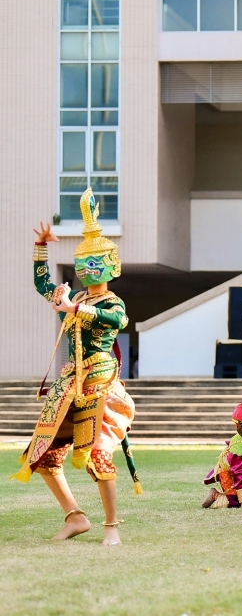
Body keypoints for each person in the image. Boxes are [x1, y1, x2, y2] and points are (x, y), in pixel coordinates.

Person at [12, 190, 136, 546]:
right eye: (84, 263)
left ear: (111, 266)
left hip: (101, 385)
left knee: (98, 455)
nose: (88, 269)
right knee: (42, 454)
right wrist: (41, 246)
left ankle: (111, 526)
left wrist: (73, 309)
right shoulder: (76, 297)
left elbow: (117, 320)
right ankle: (75, 516)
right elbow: (43, 285)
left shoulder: (110, 302)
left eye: (95, 262)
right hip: (70, 384)